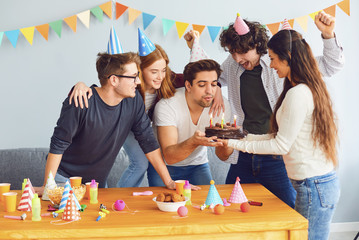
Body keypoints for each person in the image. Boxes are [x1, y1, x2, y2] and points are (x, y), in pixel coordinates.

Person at [185, 11, 344, 208]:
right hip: (243, 155)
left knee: (288, 213)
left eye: (241, 52)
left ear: (257, 46)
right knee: (232, 208)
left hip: (277, 156)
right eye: (232, 52)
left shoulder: (281, 63)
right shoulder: (234, 66)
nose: (236, 58)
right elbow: (209, 73)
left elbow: (331, 65)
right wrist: (214, 82)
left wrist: (328, 35)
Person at [218, 29, 340, 240]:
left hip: (313, 185)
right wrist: (235, 139)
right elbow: (276, 136)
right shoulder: (299, 89)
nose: (271, 64)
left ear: (288, 58)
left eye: (273, 59)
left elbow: (280, 145)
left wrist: (235, 143)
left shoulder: (298, 94)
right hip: (313, 184)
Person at [70, 29, 222, 188]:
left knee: (148, 158)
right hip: (125, 127)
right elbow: (104, 88)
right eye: (154, 72)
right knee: (140, 162)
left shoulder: (169, 80)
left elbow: (200, 78)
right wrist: (80, 85)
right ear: (139, 71)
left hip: (143, 129)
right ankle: (120, 197)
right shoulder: (129, 86)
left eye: (163, 70)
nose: (160, 76)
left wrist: (217, 88)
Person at [35, 52, 176, 192]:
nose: (138, 82)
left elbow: (149, 142)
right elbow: (58, 145)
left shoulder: (134, 102)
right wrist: (48, 186)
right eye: (133, 77)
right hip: (65, 182)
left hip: (97, 186)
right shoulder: (80, 101)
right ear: (114, 80)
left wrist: (169, 182)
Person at [147, 59, 233, 186]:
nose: (209, 91)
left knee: (208, 203)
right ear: (188, 86)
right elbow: (170, 157)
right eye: (202, 85)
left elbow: (223, 156)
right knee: (164, 204)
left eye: (214, 84)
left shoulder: (221, 106)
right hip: (164, 167)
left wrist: (226, 144)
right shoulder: (167, 105)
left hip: (198, 165)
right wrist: (194, 141)